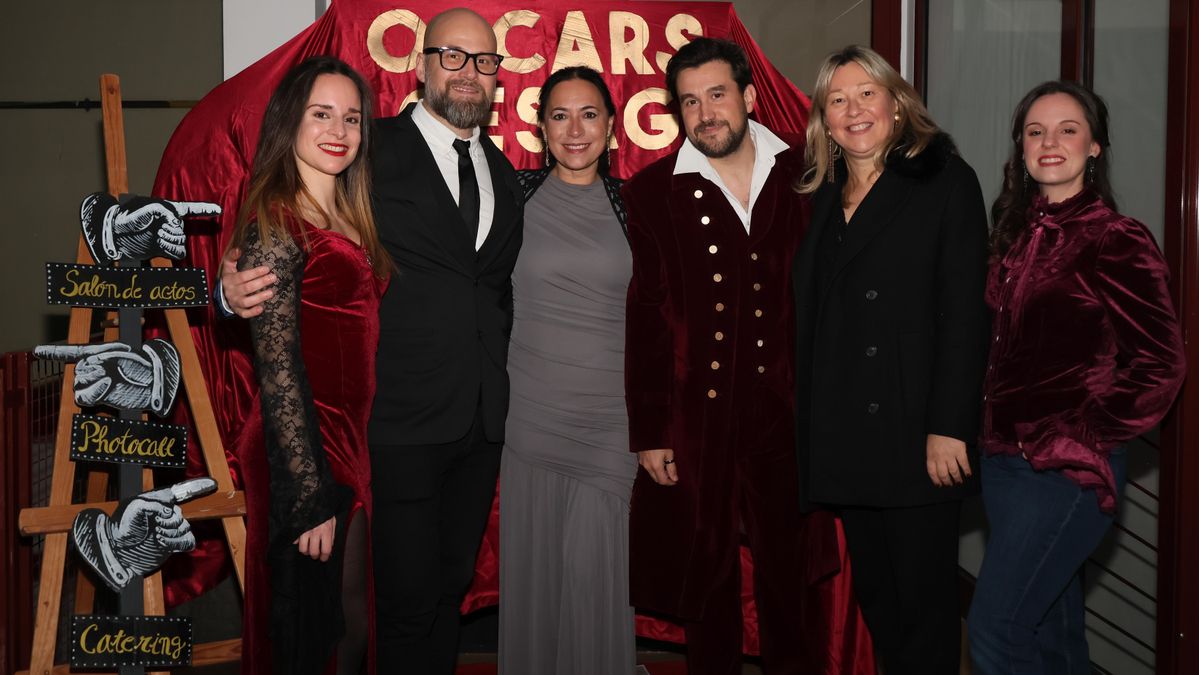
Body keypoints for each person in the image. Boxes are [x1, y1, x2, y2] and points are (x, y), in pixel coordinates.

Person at [220, 9, 523, 674]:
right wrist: (227, 290)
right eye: (452, 56)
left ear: (497, 75)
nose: (468, 72)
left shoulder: (505, 174)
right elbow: (277, 227)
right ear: (421, 64)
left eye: (483, 61)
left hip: (480, 426)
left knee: (447, 591)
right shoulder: (368, 150)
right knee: (391, 609)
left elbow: (494, 293)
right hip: (394, 425)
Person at [622, 37, 839, 675]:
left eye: (717, 95)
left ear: (747, 96)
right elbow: (647, 316)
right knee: (707, 581)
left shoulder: (808, 172)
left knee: (791, 582)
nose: (705, 112)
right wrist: (651, 432)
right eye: (690, 101)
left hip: (789, 418)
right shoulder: (653, 192)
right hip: (698, 421)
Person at [967, 81, 1185, 674]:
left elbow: (1161, 363)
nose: (1050, 142)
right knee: (1051, 636)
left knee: (996, 629)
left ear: (1094, 147)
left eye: (1068, 130)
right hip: (1003, 465)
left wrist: (1083, 434)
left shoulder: (1115, 238)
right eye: (1035, 131)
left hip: (1063, 470)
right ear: (1021, 147)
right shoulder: (1015, 235)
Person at [791, 45, 991, 674]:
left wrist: (950, 426)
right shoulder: (820, 193)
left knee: (924, 610)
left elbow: (966, 314)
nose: (854, 110)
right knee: (880, 602)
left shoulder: (945, 180)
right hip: (847, 431)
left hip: (916, 429)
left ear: (897, 106)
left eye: (866, 94)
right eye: (837, 100)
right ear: (824, 120)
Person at [226, 55, 390, 675]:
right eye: (321, 114)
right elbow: (278, 372)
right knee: (325, 628)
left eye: (351, 118)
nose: (338, 130)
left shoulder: (352, 214)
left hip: (348, 442)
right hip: (303, 443)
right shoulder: (276, 225)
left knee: (347, 623)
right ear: (290, 121)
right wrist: (307, 494)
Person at [498, 65, 637, 675]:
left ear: (611, 127)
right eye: (560, 115)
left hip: (611, 423)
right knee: (537, 578)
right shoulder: (509, 197)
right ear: (541, 129)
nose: (575, 130)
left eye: (588, 115)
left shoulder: (638, 205)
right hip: (529, 415)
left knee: (596, 576)